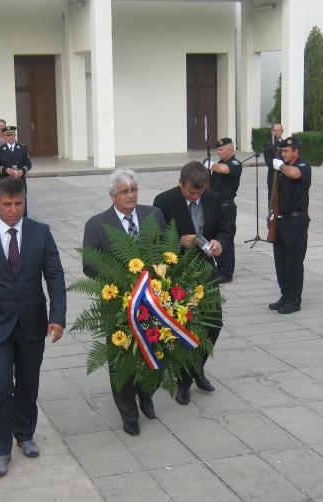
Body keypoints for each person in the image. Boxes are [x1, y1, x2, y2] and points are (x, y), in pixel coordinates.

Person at [0, 176, 66, 478]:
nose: (14, 210)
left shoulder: (40, 233)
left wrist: (57, 317)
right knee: (1, 386)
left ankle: (25, 433)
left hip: (33, 323)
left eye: (19, 203)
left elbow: (55, 277)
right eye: (7, 204)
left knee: (28, 384)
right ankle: (0, 449)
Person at [82, 169, 166, 436]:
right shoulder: (96, 225)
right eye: (124, 191)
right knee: (121, 360)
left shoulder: (154, 215)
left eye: (134, 190)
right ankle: (128, 413)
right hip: (119, 304)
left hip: (153, 301)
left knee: (154, 353)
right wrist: (121, 281)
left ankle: (146, 393)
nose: (131, 195)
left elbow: (167, 251)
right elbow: (89, 266)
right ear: (112, 195)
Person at [153, 161, 228, 405]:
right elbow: (155, 239)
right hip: (179, 273)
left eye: (199, 192)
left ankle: (197, 368)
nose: (195, 196)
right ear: (180, 183)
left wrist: (219, 243)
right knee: (184, 328)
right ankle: (184, 381)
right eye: (191, 192)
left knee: (214, 324)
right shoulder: (164, 201)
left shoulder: (214, 199)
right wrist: (177, 242)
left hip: (206, 270)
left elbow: (227, 229)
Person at [267, 135, 311, 314]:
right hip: (280, 220)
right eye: (282, 150)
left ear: (296, 152)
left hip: (296, 221)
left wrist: (281, 166)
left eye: (286, 151)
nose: (283, 153)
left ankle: (294, 300)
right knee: (281, 261)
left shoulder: (302, 165)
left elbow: (295, 174)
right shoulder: (280, 170)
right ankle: (285, 295)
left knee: (293, 262)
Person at [206, 137, 242, 283]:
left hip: (226, 206)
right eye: (218, 149)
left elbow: (224, 170)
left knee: (226, 238)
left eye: (221, 149)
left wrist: (210, 165)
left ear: (230, 149)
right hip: (216, 206)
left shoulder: (234, 163)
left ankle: (226, 272)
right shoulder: (219, 163)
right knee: (216, 237)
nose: (218, 152)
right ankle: (219, 268)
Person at [263, 123, 284, 202]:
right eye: (275, 130)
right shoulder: (269, 146)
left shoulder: (285, 144)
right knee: (272, 202)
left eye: (279, 130)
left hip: (284, 178)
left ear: (282, 131)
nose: (277, 132)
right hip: (273, 177)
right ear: (272, 132)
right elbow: (269, 163)